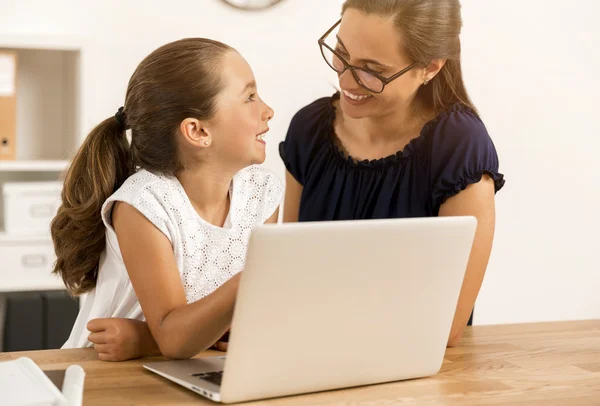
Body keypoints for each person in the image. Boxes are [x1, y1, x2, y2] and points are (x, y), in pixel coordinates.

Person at [279, 0, 505, 346]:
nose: (345, 78)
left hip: (415, 375)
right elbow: (290, 275)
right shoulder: (308, 129)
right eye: (340, 52)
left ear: (429, 68)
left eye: (372, 69)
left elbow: (448, 327)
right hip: (310, 351)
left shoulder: (458, 145)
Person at [51, 38, 283, 361]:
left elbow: (245, 320)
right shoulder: (143, 205)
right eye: (250, 97)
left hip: (193, 364)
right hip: (105, 373)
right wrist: (257, 276)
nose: (268, 111)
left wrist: (146, 339)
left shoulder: (261, 193)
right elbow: (174, 336)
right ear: (198, 131)